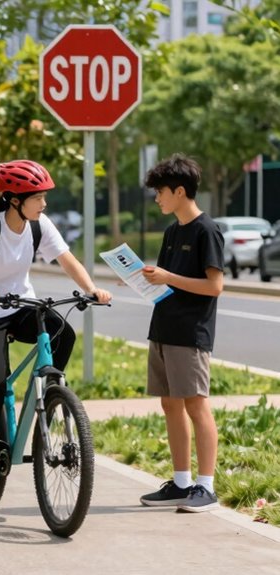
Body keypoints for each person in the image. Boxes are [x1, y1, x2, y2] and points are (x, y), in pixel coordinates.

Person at [0, 159, 112, 488]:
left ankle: (52, 393)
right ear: (15, 200)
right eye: (37, 197)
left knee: (64, 333)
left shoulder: (39, 225)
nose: (44, 204)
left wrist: (91, 289)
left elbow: (66, 259)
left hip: (21, 305)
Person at [137, 154, 224, 512]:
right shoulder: (172, 231)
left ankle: (206, 487)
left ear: (180, 190)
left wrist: (168, 277)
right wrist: (144, 278)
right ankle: (181, 482)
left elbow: (214, 286)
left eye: (160, 192)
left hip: (190, 333)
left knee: (196, 405)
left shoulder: (207, 230)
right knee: (169, 403)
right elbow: (167, 283)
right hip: (163, 328)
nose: (157, 198)